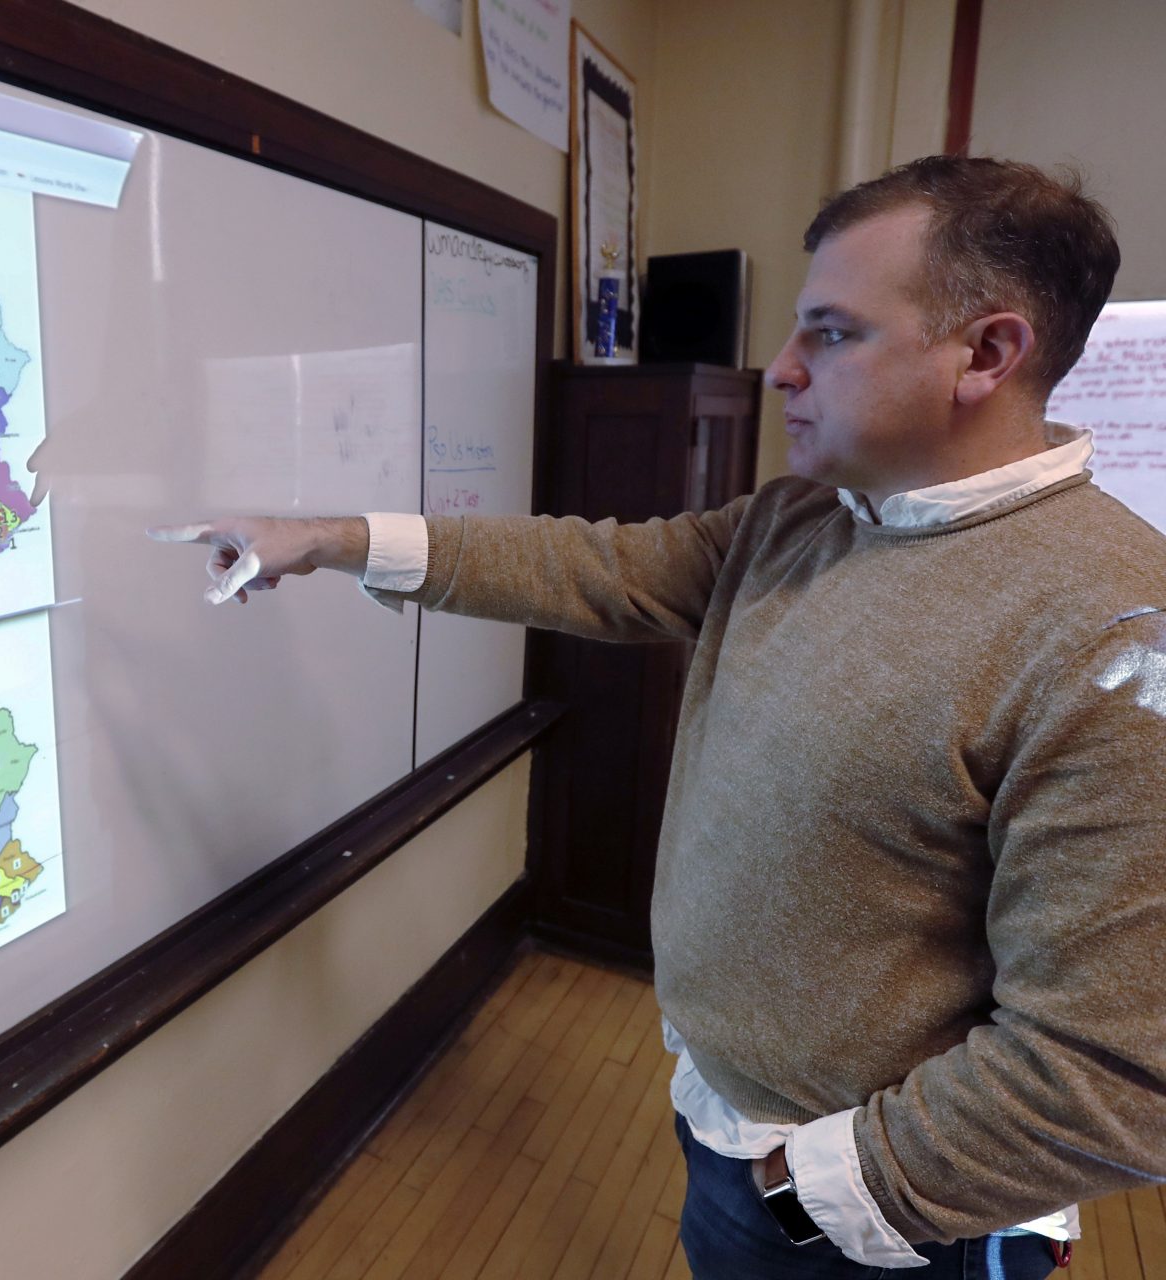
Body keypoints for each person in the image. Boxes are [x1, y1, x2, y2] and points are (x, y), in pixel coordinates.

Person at [152, 156, 1166, 1278]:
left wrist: (808, 1193)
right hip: (729, 1115)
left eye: (831, 334)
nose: (779, 370)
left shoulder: (1114, 638)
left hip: (882, 1214)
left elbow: (1115, 1065)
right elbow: (600, 565)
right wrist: (334, 536)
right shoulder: (803, 519)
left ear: (987, 351)